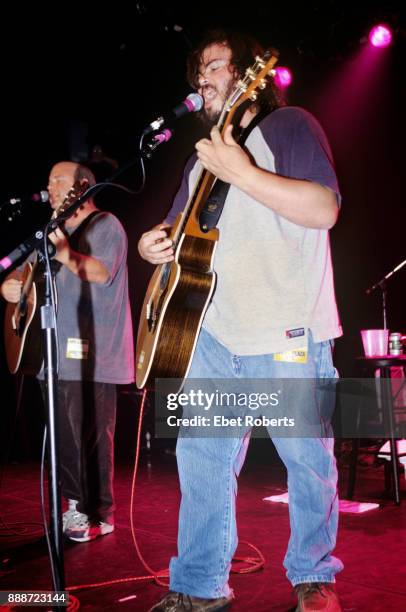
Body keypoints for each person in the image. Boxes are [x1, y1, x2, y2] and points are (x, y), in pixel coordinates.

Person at [138, 29, 343, 612]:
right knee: (201, 459)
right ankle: (200, 586)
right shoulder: (201, 161)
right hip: (212, 331)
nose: (204, 81)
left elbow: (324, 208)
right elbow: (180, 237)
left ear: (251, 73)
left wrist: (241, 170)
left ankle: (313, 575)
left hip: (286, 324)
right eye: (198, 74)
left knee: (306, 458)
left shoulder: (289, 125)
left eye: (216, 67)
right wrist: (155, 246)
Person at [1, 161, 134, 542]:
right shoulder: (49, 234)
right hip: (52, 356)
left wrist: (64, 254)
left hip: (95, 355)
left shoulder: (106, 225)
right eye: (48, 181)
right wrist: (9, 288)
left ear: (83, 187)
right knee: (63, 436)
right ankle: (75, 506)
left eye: (57, 180)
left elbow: (101, 273)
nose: (50, 188)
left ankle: (99, 513)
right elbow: (16, 273)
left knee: (90, 436)